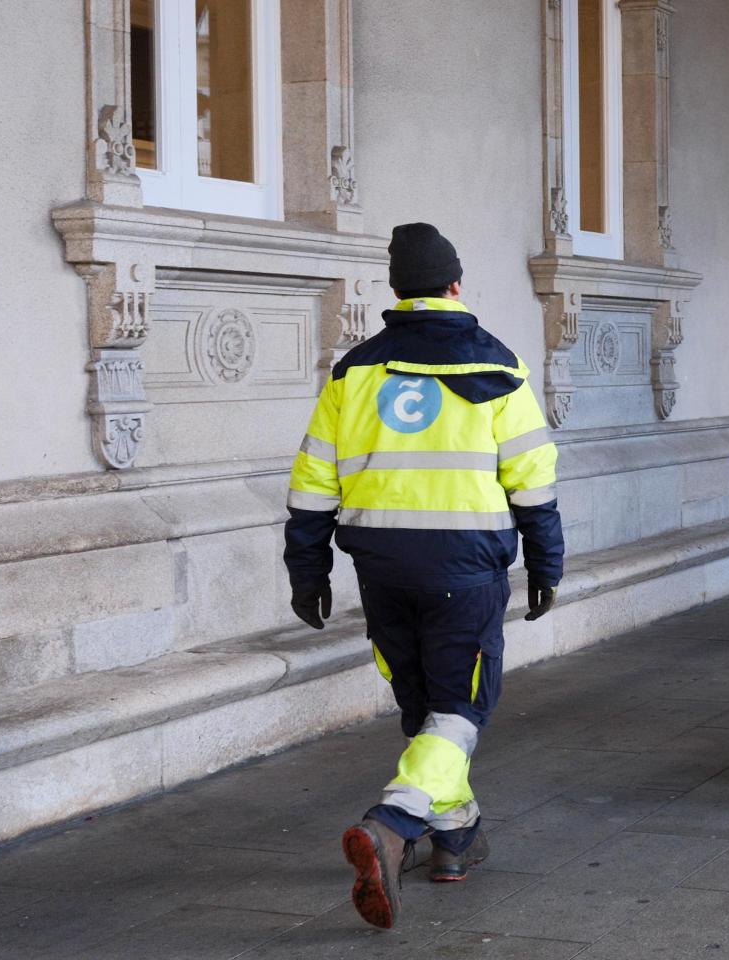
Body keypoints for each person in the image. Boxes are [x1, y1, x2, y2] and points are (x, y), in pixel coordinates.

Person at [283, 222, 564, 929]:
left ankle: (456, 838)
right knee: (462, 706)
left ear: (397, 289)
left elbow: (314, 478)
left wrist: (307, 567)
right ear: (455, 285)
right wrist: (546, 561)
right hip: (463, 567)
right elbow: (532, 477)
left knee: (425, 709)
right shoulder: (495, 364)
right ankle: (393, 824)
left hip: (379, 565)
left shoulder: (355, 371)